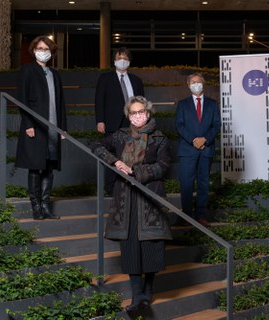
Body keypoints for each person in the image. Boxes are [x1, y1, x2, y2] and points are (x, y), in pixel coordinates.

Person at [91, 96, 171, 314]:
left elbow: (163, 166)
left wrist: (137, 172)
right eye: (134, 113)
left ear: (148, 113)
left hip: (150, 196)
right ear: (129, 115)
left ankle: (148, 292)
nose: (138, 116)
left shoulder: (160, 138)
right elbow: (96, 145)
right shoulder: (120, 136)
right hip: (126, 199)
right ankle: (137, 296)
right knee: (130, 247)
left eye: (142, 112)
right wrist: (115, 162)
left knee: (152, 246)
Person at [15, 35, 67, 220]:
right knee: (35, 167)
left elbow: (60, 103)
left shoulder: (54, 74)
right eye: (40, 48)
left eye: (46, 49)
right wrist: (28, 124)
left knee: (49, 168)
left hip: (53, 127)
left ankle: (46, 207)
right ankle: (36, 208)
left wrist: (62, 128)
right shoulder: (28, 71)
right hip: (36, 127)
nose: (43, 52)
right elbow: (22, 100)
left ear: (51, 52)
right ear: (34, 50)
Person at [94, 47, 145, 195]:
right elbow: (99, 100)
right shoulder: (105, 78)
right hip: (111, 123)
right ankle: (110, 188)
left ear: (129, 61)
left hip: (132, 124)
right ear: (114, 60)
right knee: (111, 155)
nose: (122, 61)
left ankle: (128, 185)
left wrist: (142, 121)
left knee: (131, 155)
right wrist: (100, 120)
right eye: (119, 58)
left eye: (125, 58)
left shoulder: (136, 80)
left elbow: (142, 102)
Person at [175, 73, 221, 227]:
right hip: (188, 150)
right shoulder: (182, 104)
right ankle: (187, 216)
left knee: (203, 183)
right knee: (186, 183)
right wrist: (193, 140)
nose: (196, 84)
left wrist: (204, 139)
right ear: (189, 85)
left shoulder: (213, 104)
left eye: (199, 82)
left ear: (204, 83)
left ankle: (201, 216)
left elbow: (216, 125)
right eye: (193, 82)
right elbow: (179, 125)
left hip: (206, 149)